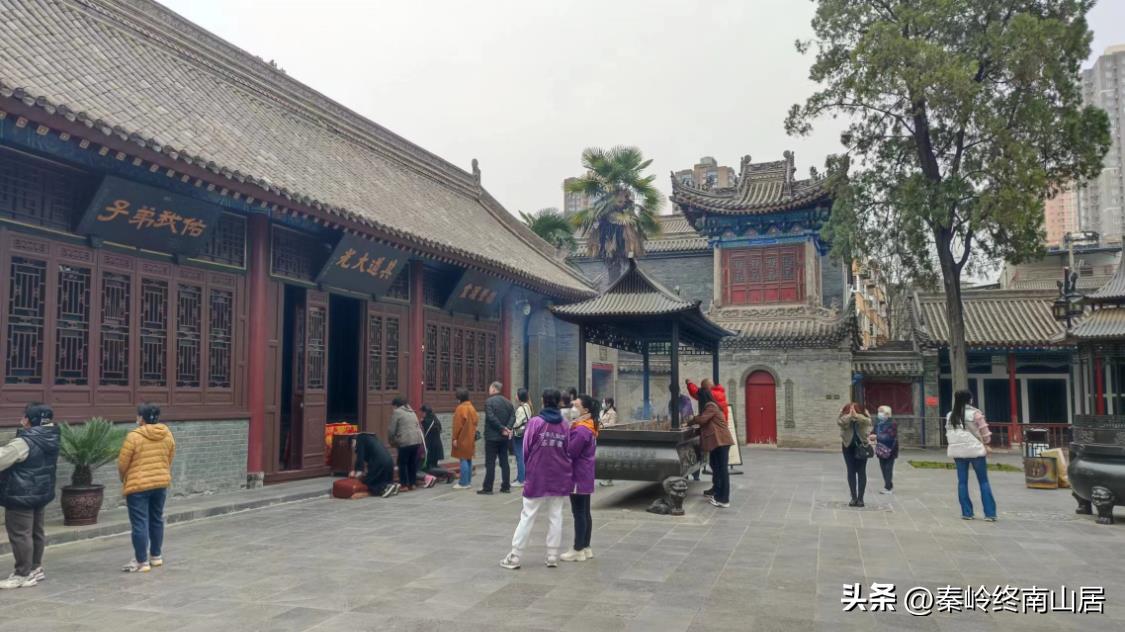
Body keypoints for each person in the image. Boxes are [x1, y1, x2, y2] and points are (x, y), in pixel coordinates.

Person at [501, 389, 572, 570]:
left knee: (528, 515)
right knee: (556, 515)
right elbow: (568, 450)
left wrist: (529, 469)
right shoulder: (564, 425)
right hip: (559, 475)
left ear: (542, 401)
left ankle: (515, 556)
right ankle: (552, 556)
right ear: (558, 402)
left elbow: (526, 449)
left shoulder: (536, 422)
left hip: (537, 474)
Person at [0, 403, 58, 589]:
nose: (21, 420)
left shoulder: (24, 442)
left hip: (21, 494)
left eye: (25, 416)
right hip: (41, 491)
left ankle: (22, 574)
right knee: (35, 531)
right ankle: (35, 568)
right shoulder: (52, 436)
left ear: (30, 420)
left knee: (20, 534)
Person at [117, 403, 176, 573]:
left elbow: (122, 463)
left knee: (140, 522)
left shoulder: (133, 437)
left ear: (141, 418)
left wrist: (124, 478)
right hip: (160, 483)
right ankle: (156, 556)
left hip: (138, 485)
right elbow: (170, 457)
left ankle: (142, 561)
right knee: (156, 519)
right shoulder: (167, 434)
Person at [946, 389, 997, 521]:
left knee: (962, 482)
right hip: (975, 451)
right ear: (970, 399)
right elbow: (986, 435)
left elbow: (948, 433)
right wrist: (985, 442)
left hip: (958, 451)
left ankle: (967, 513)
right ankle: (990, 514)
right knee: (983, 481)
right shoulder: (976, 414)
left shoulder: (950, 415)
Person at [562, 394, 599, 562]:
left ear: (585, 409)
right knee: (584, 511)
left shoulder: (581, 430)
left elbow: (570, 452)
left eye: (576, 406)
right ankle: (586, 547)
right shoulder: (588, 425)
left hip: (578, 474)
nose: (573, 408)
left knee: (579, 513)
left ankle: (578, 549)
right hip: (585, 474)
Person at [687, 388, 735, 508]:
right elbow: (706, 424)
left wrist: (691, 420)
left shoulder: (711, 406)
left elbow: (702, 420)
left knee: (722, 470)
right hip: (718, 442)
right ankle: (717, 493)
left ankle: (724, 499)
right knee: (717, 468)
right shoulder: (711, 406)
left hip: (722, 442)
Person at [480, 381, 515, 495]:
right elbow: (513, 416)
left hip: (492, 437)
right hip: (504, 437)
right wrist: (507, 428)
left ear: (494, 389)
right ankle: (506, 486)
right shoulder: (508, 402)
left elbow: (491, 418)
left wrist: (502, 428)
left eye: (490, 388)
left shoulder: (489, 402)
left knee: (490, 463)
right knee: (504, 461)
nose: (489, 390)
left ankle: (488, 488)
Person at [838, 402, 873, 507]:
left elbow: (868, 421)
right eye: (850, 409)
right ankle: (853, 497)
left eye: (854, 409)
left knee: (861, 471)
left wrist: (857, 416)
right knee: (851, 471)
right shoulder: (844, 418)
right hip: (848, 447)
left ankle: (860, 499)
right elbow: (840, 422)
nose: (852, 411)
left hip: (862, 447)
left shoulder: (863, 417)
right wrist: (849, 416)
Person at [388, 397, 423, 491]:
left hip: (405, 442)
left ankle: (404, 485)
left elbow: (391, 430)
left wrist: (392, 442)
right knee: (412, 463)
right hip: (416, 441)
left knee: (402, 463)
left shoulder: (397, 412)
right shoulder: (412, 412)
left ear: (396, 405)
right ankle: (412, 483)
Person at [350, 432, 399, 498]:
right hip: (389, 462)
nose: (353, 447)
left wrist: (357, 472)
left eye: (352, 444)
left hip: (379, 462)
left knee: (369, 481)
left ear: (353, 440)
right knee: (380, 478)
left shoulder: (359, 439)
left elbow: (360, 457)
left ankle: (384, 488)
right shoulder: (371, 438)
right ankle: (392, 485)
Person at [451, 389, 478, 490]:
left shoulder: (460, 408)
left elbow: (457, 425)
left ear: (459, 398)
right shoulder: (471, 407)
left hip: (462, 437)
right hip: (470, 436)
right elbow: (476, 420)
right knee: (468, 459)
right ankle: (468, 481)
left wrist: (455, 438)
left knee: (463, 459)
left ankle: (463, 482)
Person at [420, 405, 453, 485]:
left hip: (430, 446)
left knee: (429, 467)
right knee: (434, 465)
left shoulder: (426, 421)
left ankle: (448, 473)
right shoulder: (435, 419)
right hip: (437, 445)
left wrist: (422, 422)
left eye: (422, 412)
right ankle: (443, 475)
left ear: (425, 412)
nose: (421, 414)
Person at [870, 405, 899, 495]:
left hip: (890, 449)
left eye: (882, 412)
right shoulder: (878, 423)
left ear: (888, 413)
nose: (880, 414)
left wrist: (877, 436)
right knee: (883, 468)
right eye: (879, 412)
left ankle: (888, 487)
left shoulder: (892, 423)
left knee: (888, 468)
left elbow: (890, 436)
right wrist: (871, 436)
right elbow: (873, 432)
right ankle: (888, 485)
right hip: (880, 449)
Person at [511, 388, 533, 488]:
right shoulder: (528, 406)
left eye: (516, 394)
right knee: (523, 456)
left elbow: (517, 423)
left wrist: (509, 426)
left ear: (520, 397)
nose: (515, 396)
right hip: (525, 433)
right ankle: (522, 477)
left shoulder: (520, 409)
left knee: (519, 456)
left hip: (519, 434)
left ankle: (521, 480)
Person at [598, 399, 617, 488]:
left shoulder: (613, 413)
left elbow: (612, 424)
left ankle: (609, 480)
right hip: (601, 436)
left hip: (609, 437)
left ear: (609, 404)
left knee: (608, 459)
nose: (603, 404)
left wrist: (602, 425)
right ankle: (605, 478)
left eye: (604, 402)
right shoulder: (601, 412)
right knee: (603, 458)